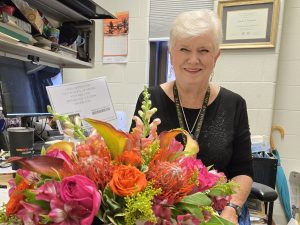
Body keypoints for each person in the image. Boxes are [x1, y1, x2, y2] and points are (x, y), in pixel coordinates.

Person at [131, 10, 253, 225]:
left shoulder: (234, 104)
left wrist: (232, 209)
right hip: (160, 215)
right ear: (171, 54)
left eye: (204, 50)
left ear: (216, 56)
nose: (193, 60)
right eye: (184, 49)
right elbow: (134, 162)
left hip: (215, 214)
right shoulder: (149, 99)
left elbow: (242, 171)